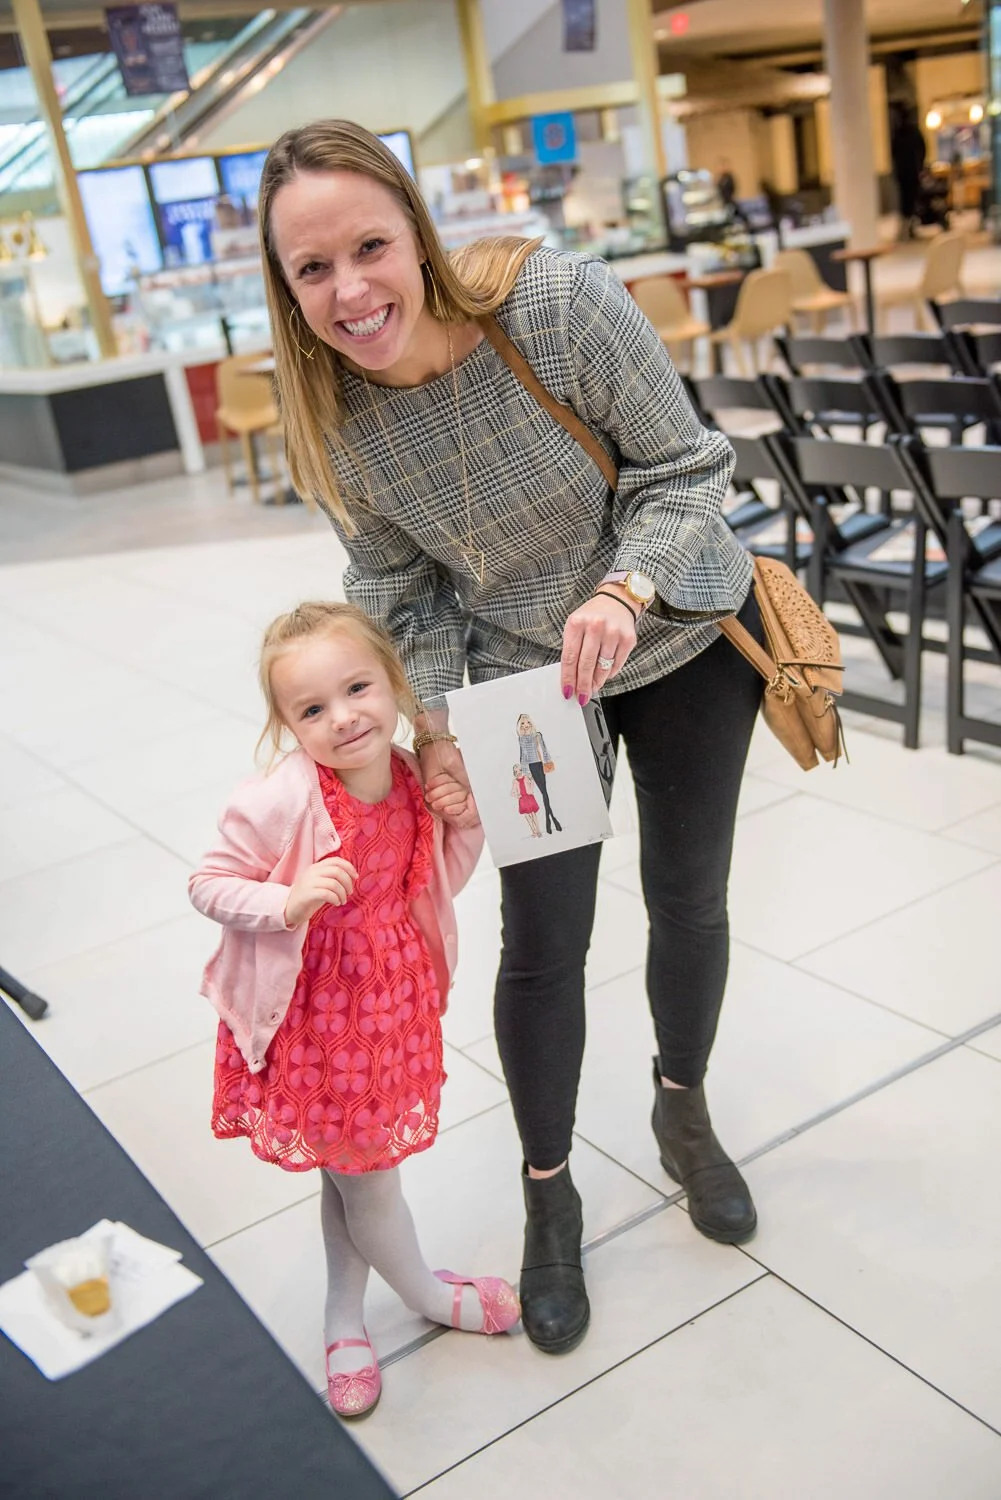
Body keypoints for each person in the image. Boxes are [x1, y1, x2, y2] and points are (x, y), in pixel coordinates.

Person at [258, 120, 765, 1358]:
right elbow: (397, 586)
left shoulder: (553, 307)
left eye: (369, 248)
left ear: (416, 235)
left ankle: (682, 1111)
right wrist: (432, 721)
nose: (349, 291)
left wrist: (624, 589)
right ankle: (550, 1193)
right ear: (285, 288)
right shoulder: (334, 416)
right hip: (524, 688)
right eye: (312, 269)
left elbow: (687, 466)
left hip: (681, 632)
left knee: (686, 896)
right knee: (541, 943)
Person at [188, 602, 519, 1418]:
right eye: (311, 709)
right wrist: (287, 899)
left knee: (352, 1174)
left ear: (394, 683)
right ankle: (425, 1293)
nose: (341, 717)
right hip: (315, 1023)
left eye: (357, 689)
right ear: (286, 725)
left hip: (389, 1009)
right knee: (367, 1182)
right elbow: (207, 883)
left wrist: (465, 824)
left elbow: (432, 879)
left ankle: (342, 1318)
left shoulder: (410, 778)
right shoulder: (281, 798)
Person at [516, 714, 561, 834]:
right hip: (531, 767)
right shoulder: (521, 738)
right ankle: (551, 818)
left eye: (528, 722)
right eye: (523, 723)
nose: (526, 725)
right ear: (520, 725)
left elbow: (544, 749)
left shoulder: (537, 735)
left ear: (531, 723)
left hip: (540, 764)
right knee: (543, 792)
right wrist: (526, 772)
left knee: (544, 791)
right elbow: (523, 756)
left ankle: (549, 819)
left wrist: (547, 762)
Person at [891, 108, 927, 240]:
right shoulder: (912, 133)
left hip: (906, 173)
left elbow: (894, 154)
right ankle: (909, 227)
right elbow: (923, 150)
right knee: (910, 202)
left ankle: (908, 228)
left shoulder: (899, 134)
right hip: (910, 173)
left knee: (907, 202)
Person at [511, 763, 542, 839]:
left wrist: (531, 781)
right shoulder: (515, 781)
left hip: (529, 797)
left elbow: (531, 786)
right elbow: (512, 792)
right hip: (522, 800)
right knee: (527, 816)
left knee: (533, 814)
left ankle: (538, 830)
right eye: (516, 771)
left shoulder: (526, 777)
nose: (518, 773)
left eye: (519, 770)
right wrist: (518, 796)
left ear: (521, 770)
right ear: (514, 773)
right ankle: (533, 831)